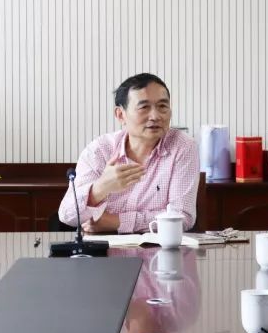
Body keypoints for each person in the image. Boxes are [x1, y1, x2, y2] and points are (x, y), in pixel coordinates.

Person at [58, 73, 199, 233]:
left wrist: (116, 222)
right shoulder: (100, 151)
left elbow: (181, 217)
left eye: (162, 106)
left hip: (158, 246)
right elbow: (67, 216)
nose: (155, 116)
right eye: (144, 107)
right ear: (120, 115)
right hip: (103, 247)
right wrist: (100, 188)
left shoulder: (182, 146)